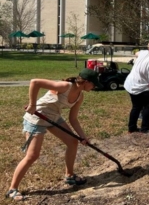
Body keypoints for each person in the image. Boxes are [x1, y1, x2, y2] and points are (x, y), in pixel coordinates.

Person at [5, 68, 102, 201]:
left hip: (53, 118)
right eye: (94, 84)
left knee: (73, 142)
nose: (94, 87)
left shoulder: (80, 96)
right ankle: (12, 189)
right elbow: (35, 82)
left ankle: (69, 176)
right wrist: (33, 104)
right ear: (86, 82)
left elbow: (73, 119)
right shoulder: (64, 86)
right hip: (36, 118)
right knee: (32, 155)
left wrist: (82, 136)